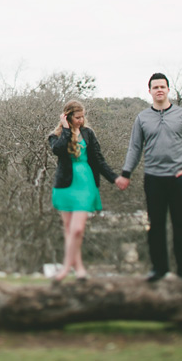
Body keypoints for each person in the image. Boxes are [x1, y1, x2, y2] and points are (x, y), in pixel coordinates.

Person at [115, 73, 182, 284]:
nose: (159, 90)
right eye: (155, 87)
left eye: (162, 86)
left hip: (178, 177)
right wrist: (126, 173)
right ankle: (159, 269)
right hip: (153, 178)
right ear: (150, 91)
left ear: (169, 89)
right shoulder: (142, 118)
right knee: (156, 225)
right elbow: (135, 147)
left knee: (181, 224)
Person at [49, 100, 118, 283]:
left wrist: (114, 178)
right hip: (65, 185)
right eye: (77, 117)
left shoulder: (88, 134)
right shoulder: (55, 136)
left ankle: (65, 268)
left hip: (85, 184)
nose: (81, 120)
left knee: (77, 229)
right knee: (68, 229)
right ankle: (78, 269)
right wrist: (65, 129)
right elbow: (58, 150)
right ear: (68, 117)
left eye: (82, 117)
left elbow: (98, 159)